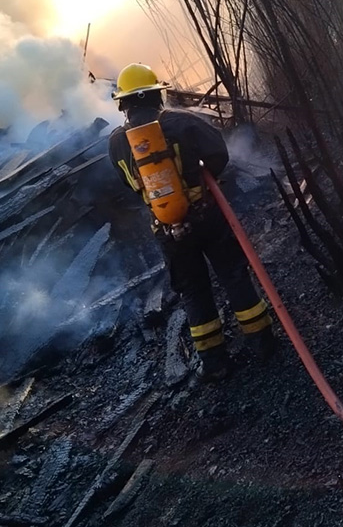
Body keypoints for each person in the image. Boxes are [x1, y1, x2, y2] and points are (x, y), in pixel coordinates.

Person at [107, 63, 276, 382]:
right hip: (206, 214)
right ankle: (263, 343)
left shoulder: (116, 142)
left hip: (166, 229)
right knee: (233, 275)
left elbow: (129, 183)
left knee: (193, 291)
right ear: (157, 95)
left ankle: (215, 363)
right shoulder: (182, 122)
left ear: (123, 103)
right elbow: (219, 155)